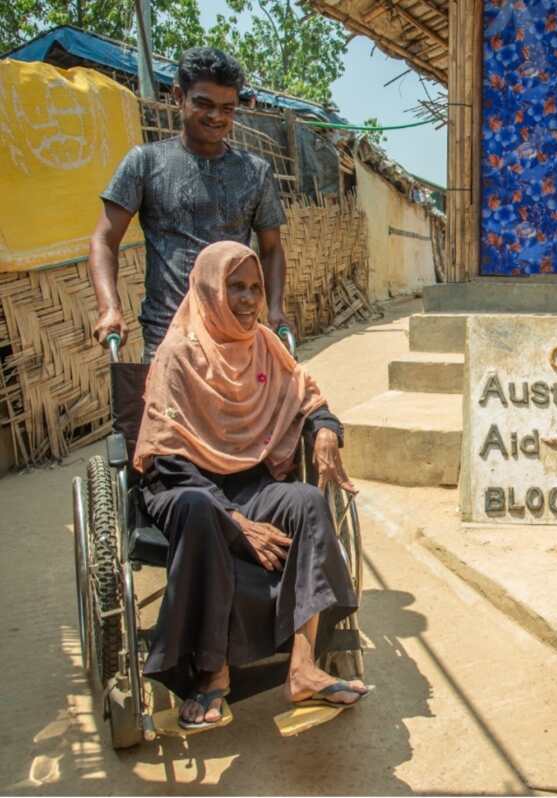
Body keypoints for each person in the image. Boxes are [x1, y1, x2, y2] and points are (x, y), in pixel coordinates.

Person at [133, 240, 368, 729]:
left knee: (305, 501)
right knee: (202, 510)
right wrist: (236, 522)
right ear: (208, 289)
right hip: (185, 486)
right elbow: (169, 457)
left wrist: (326, 427)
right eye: (235, 286)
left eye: (255, 288)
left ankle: (303, 667)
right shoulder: (178, 354)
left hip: (248, 480)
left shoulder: (264, 344)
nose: (246, 299)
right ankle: (210, 672)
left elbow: (305, 393)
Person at [88, 47, 290, 362]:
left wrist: (275, 308)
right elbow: (104, 239)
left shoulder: (255, 172)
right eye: (203, 103)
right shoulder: (145, 163)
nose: (216, 116)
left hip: (234, 338)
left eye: (228, 108)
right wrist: (109, 308)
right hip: (168, 339)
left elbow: (272, 248)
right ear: (179, 96)